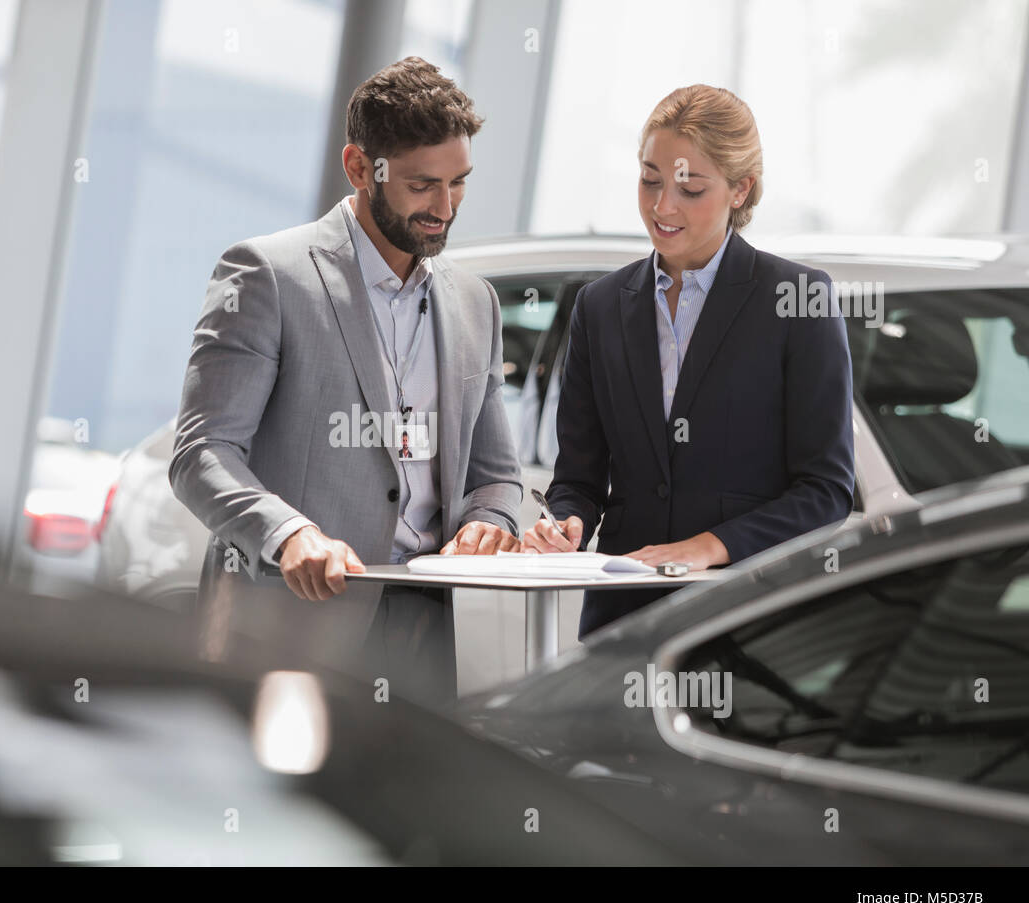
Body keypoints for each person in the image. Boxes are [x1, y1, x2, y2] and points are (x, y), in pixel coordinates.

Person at [171, 57, 521, 705]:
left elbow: (496, 474)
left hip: (421, 624)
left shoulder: (475, 301)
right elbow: (202, 454)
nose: (444, 209)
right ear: (360, 168)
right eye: (423, 186)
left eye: (459, 183)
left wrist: (491, 519)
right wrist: (287, 534)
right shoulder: (267, 275)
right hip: (288, 622)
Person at [524, 84, 854, 636]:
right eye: (650, 180)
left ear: (740, 189)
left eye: (689, 188)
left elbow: (826, 491)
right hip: (621, 618)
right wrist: (563, 523)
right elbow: (578, 478)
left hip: (746, 619)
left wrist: (706, 547)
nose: (662, 206)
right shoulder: (600, 306)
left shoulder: (798, 299)